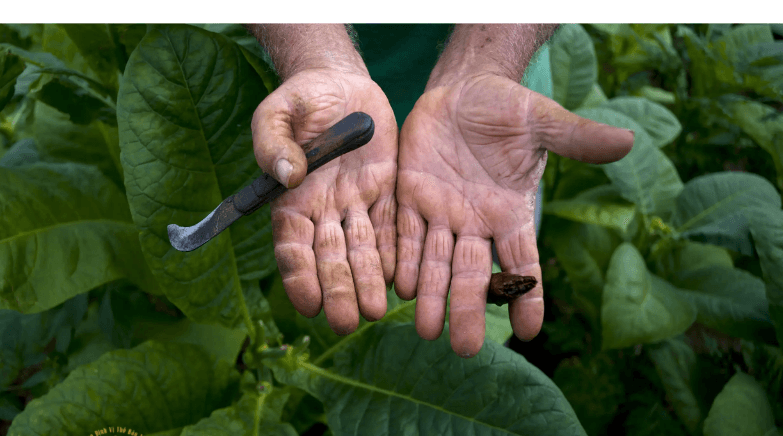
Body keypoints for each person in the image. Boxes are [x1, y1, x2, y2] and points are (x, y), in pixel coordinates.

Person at [243, 24, 634, 358]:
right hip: (314, 122)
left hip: (487, 148)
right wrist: (311, 54)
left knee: (463, 304)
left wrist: (483, 63)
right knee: (308, 280)